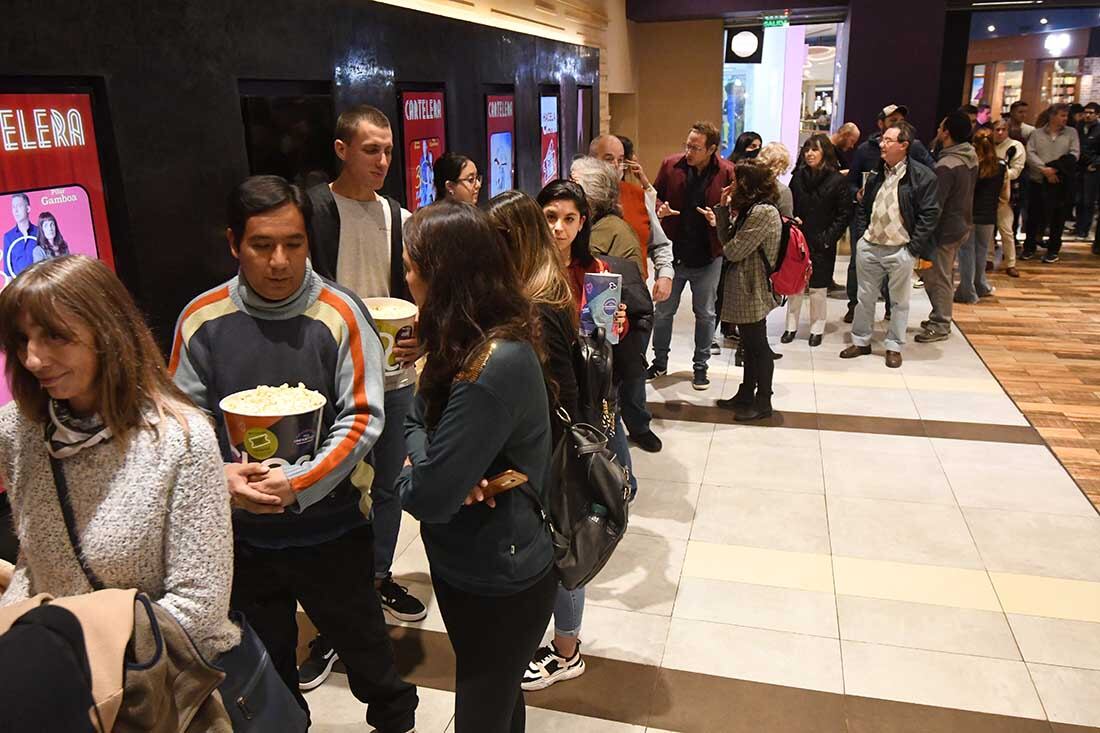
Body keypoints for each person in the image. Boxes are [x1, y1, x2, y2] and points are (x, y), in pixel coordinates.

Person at [170, 175, 417, 729]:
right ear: (234, 243)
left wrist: (299, 484)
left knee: (373, 663)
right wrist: (226, 479)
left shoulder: (340, 311)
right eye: (262, 245)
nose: (279, 261)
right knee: (268, 675)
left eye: (294, 243)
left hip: (331, 533)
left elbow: (361, 417)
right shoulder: (201, 319)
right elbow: (182, 429)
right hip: (242, 540)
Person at [0, 254, 240, 664]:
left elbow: (199, 609)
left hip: (150, 684)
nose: (34, 359)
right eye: (23, 340)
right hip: (54, 676)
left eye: (55, 337)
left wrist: (76, 658)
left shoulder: (180, 441)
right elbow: (36, 563)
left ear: (107, 334)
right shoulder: (17, 429)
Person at [396, 200, 556, 733]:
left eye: (412, 265)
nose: (407, 275)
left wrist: (414, 463)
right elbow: (422, 415)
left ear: (443, 274)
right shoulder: (466, 336)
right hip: (473, 560)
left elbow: (427, 496)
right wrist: (438, 460)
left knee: (483, 710)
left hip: (499, 575)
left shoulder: (492, 363)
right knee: (500, 700)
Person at [303, 105, 427, 690]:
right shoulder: (313, 212)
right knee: (333, 491)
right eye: (371, 149)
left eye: (388, 150)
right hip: (332, 380)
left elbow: (416, 290)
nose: (382, 161)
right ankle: (337, 613)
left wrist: (419, 333)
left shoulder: (398, 216)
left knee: (386, 486)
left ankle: (377, 578)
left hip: (395, 377)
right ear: (342, 148)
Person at [523, 180, 643, 693]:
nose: (559, 228)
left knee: (575, 523)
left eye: (569, 218)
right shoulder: (524, 272)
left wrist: (613, 325)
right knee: (546, 525)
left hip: (585, 414)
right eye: (550, 215)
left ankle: (566, 647)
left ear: (582, 222)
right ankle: (542, 637)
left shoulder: (594, 273)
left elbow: (607, 348)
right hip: (537, 416)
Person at [578, 142, 669, 452]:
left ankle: (628, 450)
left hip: (620, 321)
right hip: (608, 325)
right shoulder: (585, 226)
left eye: (620, 159)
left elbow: (603, 302)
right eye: (609, 159)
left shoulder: (609, 228)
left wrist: (665, 273)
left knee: (618, 393)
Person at [841, 121, 940, 368]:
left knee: (899, 302)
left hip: (900, 249)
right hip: (871, 246)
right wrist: (863, 236)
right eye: (882, 140)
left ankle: (894, 346)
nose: (881, 144)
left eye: (887, 140)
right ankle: (861, 341)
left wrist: (912, 249)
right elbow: (864, 206)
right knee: (865, 298)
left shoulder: (922, 176)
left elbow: (930, 214)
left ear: (904, 145)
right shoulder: (876, 173)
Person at [649, 121, 735, 391]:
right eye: (687, 145)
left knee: (706, 314)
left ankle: (701, 367)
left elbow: (736, 212)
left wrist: (718, 218)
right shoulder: (670, 165)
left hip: (709, 255)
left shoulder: (727, 172)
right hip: (674, 254)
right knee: (663, 312)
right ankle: (659, 361)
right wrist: (660, 209)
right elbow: (653, 196)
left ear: (712, 149)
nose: (689, 152)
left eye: (696, 148)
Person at [711, 160, 781, 421]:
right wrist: (722, 207)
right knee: (749, 346)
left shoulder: (762, 212)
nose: (732, 185)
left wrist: (727, 226)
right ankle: (745, 393)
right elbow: (727, 240)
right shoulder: (751, 209)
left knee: (757, 347)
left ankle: (763, 402)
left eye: (738, 180)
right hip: (745, 286)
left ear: (749, 184)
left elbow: (732, 249)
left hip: (753, 287)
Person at [782, 135, 852, 347]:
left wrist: (828, 238)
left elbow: (843, 214)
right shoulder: (798, 176)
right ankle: (790, 327)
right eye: (807, 150)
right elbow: (790, 206)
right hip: (798, 240)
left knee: (818, 289)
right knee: (794, 287)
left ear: (825, 153)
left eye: (815, 150)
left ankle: (816, 328)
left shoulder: (837, 180)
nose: (810, 154)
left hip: (823, 241)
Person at [914, 111, 977, 345]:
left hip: (946, 229)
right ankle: (939, 317)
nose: (938, 130)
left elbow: (935, 205)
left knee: (937, 277)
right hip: (962, 223)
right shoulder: (970, 156)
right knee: (942, 274)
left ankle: (940, 322)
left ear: (947, 132)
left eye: (941, 127)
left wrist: (922, 232)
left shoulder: (947, 165)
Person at [1023, 102, 1080, 264]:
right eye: (1062, 115)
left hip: (1060, 181)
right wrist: (1044, 170)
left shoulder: (1072, 133)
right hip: (1039, 180)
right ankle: (1029, 247)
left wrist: (1054, 169)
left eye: (1066, 116)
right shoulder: (1037, 134)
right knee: (1034, 215)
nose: (1065, 119)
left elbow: (1074, 154)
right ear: (1052, 116)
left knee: (1058, 218)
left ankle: (1053, 250)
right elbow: (1030, 153)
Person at [953, 127, 1004, 305]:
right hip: (989, 214)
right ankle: (980, 284)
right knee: (982, 251)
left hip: (970, 213)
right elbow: (1003, 191)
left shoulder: (972, 165)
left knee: (966, 252)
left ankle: (967, 291)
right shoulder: (1001, 165)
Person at [569, 156, 642, 271]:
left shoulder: (609, 228)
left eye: (573, 183)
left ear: (593, 191)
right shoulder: (597, 223)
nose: (567, 188)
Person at [991, 118, 1024, 277]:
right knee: (988, 228)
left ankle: (1010, 262)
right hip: (988, 192)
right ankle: (988, 259)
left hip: (1005, 193)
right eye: (997, 129)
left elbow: (1016, 171)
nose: (1000, 132)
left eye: (1003, 129)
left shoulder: (1015, 146)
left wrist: (998, 174)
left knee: (1006, 229)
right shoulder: (988, 145)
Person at [1075, 102, 1100, 240]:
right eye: (1086, 112)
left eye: (1091, 113)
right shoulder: (1078, 127)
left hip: (1092, 169)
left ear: (1097, 114)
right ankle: (1078, 226)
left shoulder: (1099, 129)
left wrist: (1095, 164)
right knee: (1077, 199)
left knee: (1088, 201)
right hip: (1078, 168)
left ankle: (1084, 228)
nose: (1087, 115)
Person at [3, 194, 38, 279]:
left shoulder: (39, 232)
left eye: (19, 206)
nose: (16, 210)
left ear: (28, 209)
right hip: (19, 287)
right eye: (13, 207)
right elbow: (8, 271)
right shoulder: (8, 237)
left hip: (39, 285)